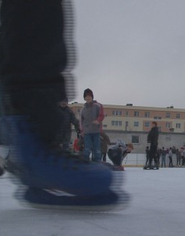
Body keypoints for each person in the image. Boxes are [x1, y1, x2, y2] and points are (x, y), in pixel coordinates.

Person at [0, 0, 127, 210]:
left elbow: (85, 118)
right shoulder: (85, 109)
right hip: (39, 114)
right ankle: (32, 139)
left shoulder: (95, 106)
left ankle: (24, 133)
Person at [80, 88, 104, 162]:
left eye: (89, 96)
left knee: (96, 148)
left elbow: (101, 115)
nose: (88, 97)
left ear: (92, 96)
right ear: (84, 98)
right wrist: (82, 131)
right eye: (86, 96)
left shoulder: (98, 106)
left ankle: (97, 162)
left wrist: (98, 121)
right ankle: (85, 162)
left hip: (96, 131)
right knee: (87, 148)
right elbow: (81, 121)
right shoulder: (83, 109)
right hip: (87, 132)